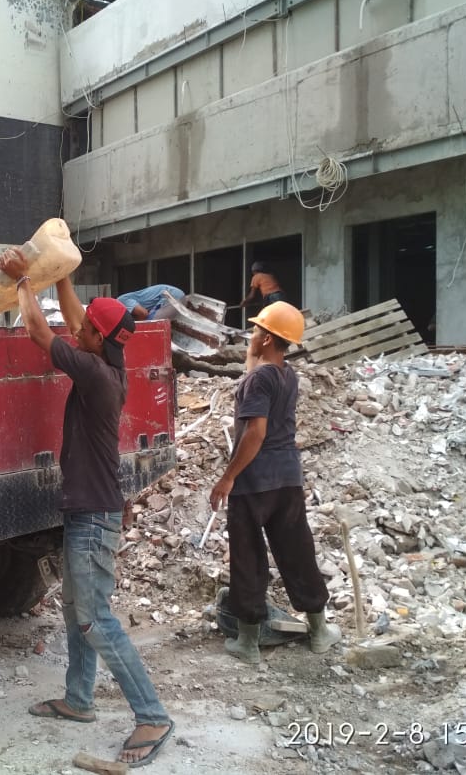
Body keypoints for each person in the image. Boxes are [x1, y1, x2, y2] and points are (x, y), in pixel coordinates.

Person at [0, 248, 174, 769]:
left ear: (98, 340)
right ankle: (79, 701)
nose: (77, 334)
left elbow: (40, 331)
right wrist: (64, 274)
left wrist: (24, 281)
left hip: (95, 518)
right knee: (77, 613)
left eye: (85, 333)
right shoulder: (109, 356)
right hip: (89, 511)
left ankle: (152, 713)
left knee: (95, 619)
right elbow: (78, 321)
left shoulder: (95, 376)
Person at [209, 301, 341, 665]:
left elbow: (255, 432)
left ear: (267, 337)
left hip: (254, 482)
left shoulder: (258, 379)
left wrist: (227, 477)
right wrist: (253, 356)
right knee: (297, 552)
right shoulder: (287, 375)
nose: (250, 334)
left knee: (248, 558)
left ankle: (248, 642)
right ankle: (318, 631)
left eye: (255, 331)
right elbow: (255, 378)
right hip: (287, 478)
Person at [116, 284, 184, 320]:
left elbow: (143, 313)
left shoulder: (120, 301)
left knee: (150, 325)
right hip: (178, 295)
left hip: (169, 295)